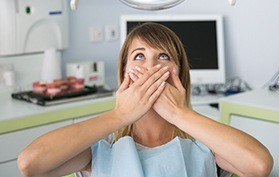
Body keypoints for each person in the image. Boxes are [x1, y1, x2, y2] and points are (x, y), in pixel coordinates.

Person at [18, 23, 273, 177]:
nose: (150, 66)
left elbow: (259, 165)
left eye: (163, 57)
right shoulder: (100, 149)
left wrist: (179, 114)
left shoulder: (203, 147)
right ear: (123, 72)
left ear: (179, 74)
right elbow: (30, 164)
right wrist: (120, 115)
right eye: (139, 56)